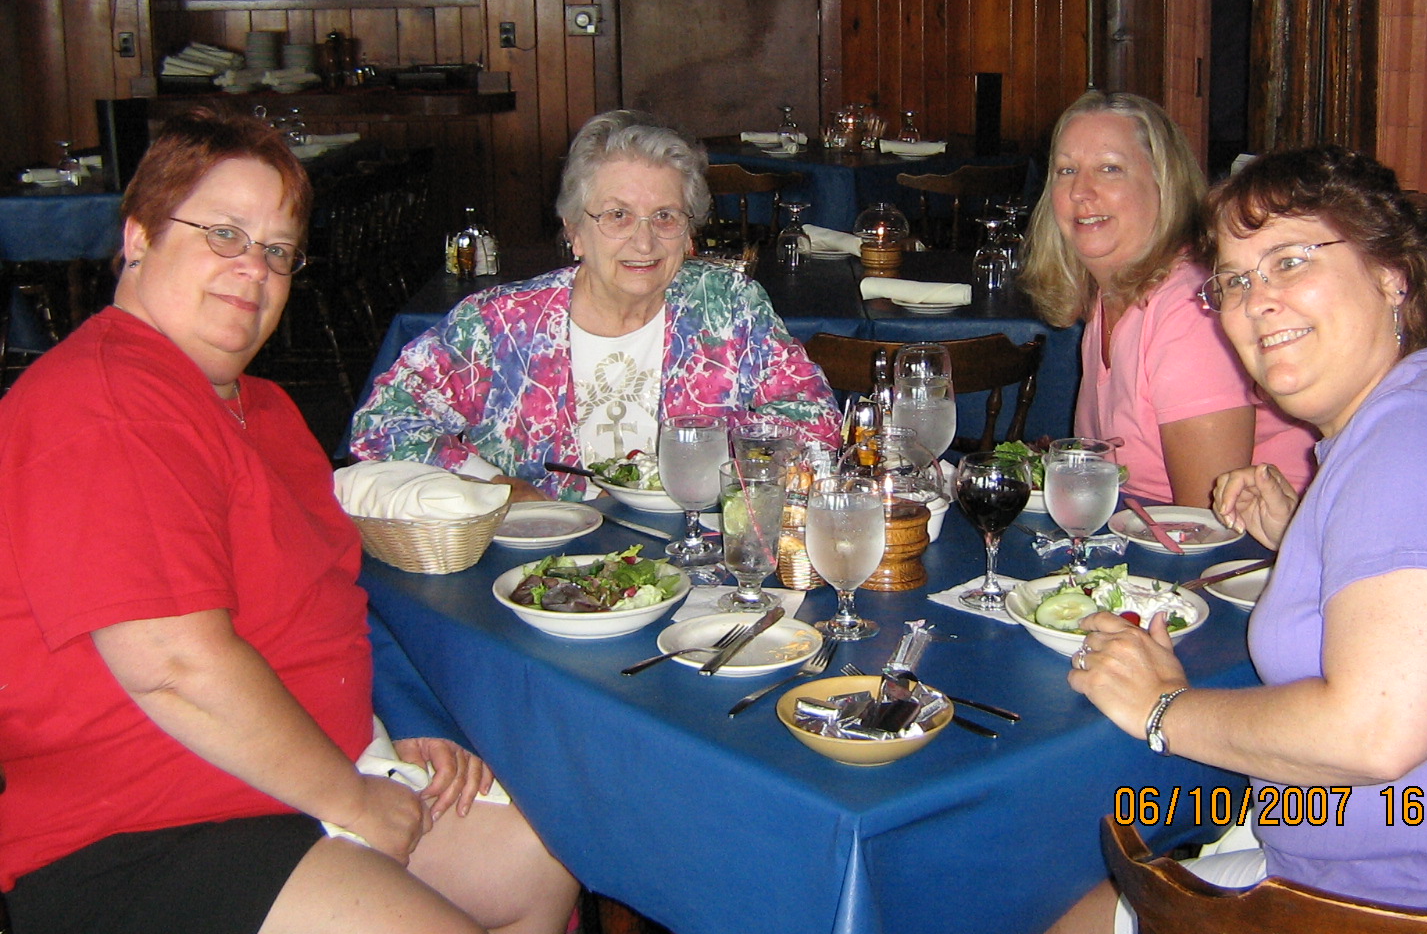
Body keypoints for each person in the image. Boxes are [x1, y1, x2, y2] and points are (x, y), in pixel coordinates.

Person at [0, 109, 579, 934]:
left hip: (296, 783)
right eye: (224, 235)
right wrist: (351, 798)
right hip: (146, 832)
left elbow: (331, 600)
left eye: (276, 250)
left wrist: (401, 725)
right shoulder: (109, 400)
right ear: (137, 237)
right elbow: (171, 663)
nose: (254, 269)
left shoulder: (261, 409)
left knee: (543, 858)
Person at [1055, 146, 1427, 929]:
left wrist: (1164, 708)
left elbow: (1375, 729)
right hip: (1404, 861)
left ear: (1390, 275)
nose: (1256, 300)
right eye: (1236, 280)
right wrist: (1309, 538)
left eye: (1290, 261)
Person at [349, 110, 840, 500]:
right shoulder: (499, 323)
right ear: (574, 230)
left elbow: (815, 420)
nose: (643, 241)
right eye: (617, 215)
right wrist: (494, 486)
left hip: (698, 555)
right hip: (536, 565)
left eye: (665, 216)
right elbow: (382, 425)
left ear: (690, 231)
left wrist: (721, 464)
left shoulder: (728, 306)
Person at [1018, 91, 1314, 506]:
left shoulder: (1191, 309)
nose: (1081, 191)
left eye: (1109, 168)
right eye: (1066, 170)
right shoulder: (1107, 296)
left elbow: (1207, 521)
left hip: (1252, 555)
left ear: (1163, 183)